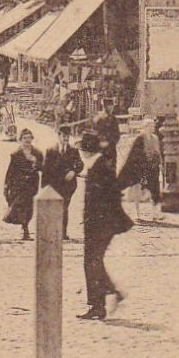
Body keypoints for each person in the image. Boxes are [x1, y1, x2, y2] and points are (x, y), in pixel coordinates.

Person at [77, 130, 135, 320]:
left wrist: (98, 222)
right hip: (101, 224)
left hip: (100, 225)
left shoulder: (99, 168)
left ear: (86, 151)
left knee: (91, 261)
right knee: (94, 261)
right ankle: (107, 296)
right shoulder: (100, 165)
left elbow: (106, 198)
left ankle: (98, 304)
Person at [41, 130, 84, 240]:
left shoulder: (73, 150)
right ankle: (52, 231)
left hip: (68, 186)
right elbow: (45, 170)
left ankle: (63, 233)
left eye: (68, 136)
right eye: (64, 135)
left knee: (64, 208)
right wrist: (44, 189)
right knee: (54, 209)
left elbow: (80, 164)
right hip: (54, 185)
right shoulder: (51, 150)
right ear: (59, 135)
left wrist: (74, 171)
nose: (66, 138)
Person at [3, 129, 44, 241]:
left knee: (29, 206)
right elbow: (10, 171)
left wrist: (36, 162)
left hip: (32, 184)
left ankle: (24, 226)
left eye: (29, 138)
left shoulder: (37, 153)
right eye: (25, 138)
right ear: (20, 140)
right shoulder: (16, 154)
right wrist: (6, 186)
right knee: (21, 205)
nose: (27, 140)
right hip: (19, 183)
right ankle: (24, 229)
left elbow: (43, 168)